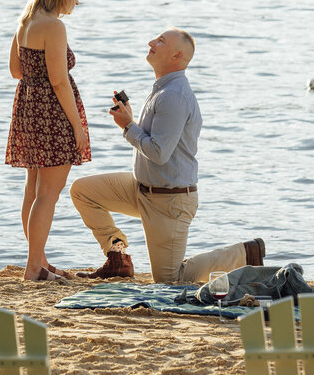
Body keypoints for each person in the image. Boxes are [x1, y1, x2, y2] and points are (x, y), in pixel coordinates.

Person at [70, 28, 265, 283]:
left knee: (169, 280)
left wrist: (128, 126)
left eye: (160, 41)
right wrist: (131, 120)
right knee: (83, 191)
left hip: (169, 202)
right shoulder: (163, 88)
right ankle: (117, 257)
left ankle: (245, 253)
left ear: (176, 56)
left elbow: (159, 153)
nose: (151, 42)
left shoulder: (173, 95)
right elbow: (154, 143)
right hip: (141, 189)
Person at [6, 0, 91, 281]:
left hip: (28, 110)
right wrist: (77, 126)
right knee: (48, 195)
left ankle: (38, 260)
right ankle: (33, 268)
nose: (77, 2)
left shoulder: (26, 20)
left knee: (33, 190)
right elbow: (58, 81)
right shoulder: (54, 27)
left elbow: (16, 71)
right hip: (52, 113)